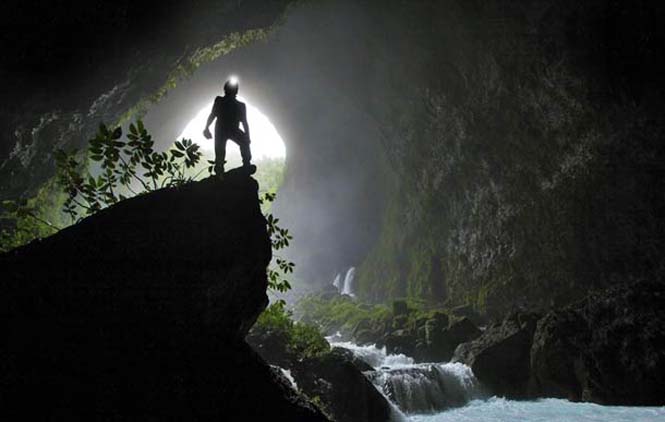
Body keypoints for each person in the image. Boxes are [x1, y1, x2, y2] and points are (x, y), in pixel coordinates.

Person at [203, 77, 251, 176]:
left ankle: (245, 164)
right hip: (224, 129)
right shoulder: (223, 101)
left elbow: (213, 115)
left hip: (225, 129)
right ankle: (244, 164)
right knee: (220, 153)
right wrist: (206, 127)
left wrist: (207, 127)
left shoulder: (238, 105)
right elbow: (213, 114)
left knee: (221, 152)